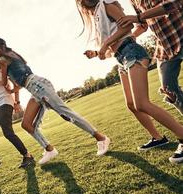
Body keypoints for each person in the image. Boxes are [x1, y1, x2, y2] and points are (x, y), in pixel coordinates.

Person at [76, 0, 183, 163]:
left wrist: (106, 44)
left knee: (142, 103)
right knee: (132, 105)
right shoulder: (99, 12)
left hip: (132, 53)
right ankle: (157, 137)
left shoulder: (106, 5)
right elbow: (117, 40)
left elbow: (127, 27)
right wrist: (97, 52)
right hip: (122, 57)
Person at [0, 37, 111, 165]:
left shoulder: (2, 59)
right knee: (26, 124)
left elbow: (2, 82)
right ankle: (49, 149)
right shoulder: (12, 55)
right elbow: (18, 84)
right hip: (35, 88)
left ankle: (101, 138)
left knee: (66, 113)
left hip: (38, 86)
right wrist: (12, 92)